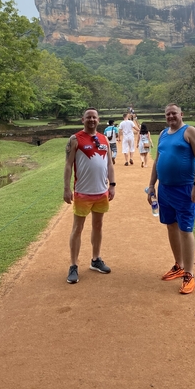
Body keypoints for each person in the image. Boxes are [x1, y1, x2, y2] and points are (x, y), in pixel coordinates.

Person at [147, 103, 195, 294]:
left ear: (181, 114)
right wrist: (151, 186)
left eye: (174, 113)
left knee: (185, 229)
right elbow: (157, 160)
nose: (171, 116)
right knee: (171, 226)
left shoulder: (190, 132)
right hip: (165, 189)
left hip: (185, 189)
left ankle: (189, 273)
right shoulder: (163, 134)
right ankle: (178, 265)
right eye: (167, 114)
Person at [63, 108, 116, 284]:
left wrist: (113, 185)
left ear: (98, 120)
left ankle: (95, 259)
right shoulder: (75, 139)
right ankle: (73, 265)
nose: (91, 120)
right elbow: (68, 165)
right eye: (88, 117)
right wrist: (66, 188)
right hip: (82, 192)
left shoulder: (104, 139)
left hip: (101, 192)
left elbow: (109, 164)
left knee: (98, 226)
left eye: (94, 117)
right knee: (77, 228)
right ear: (83, 119)